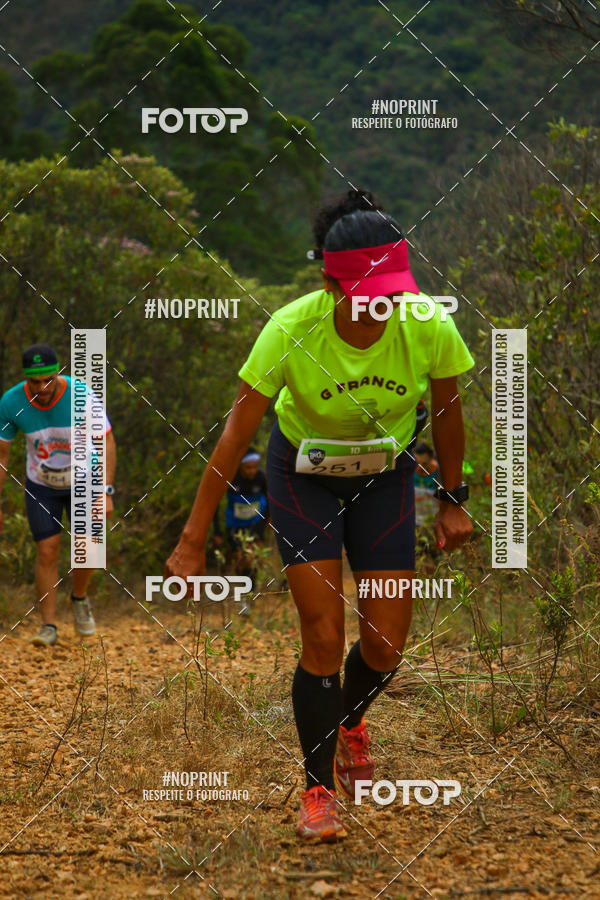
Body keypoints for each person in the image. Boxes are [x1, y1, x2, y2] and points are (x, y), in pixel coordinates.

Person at [165, 188, 474, 842]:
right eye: (368, 293)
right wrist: (193, 540)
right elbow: (233, 439)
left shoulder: (428, 326)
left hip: (384, 478)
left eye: (393, 290)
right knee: (323, 637)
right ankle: (317, 793)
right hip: (301, 475)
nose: (383, 305)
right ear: (332, 284)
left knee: (386, 645)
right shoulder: (289, 330)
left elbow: (447, 415)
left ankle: (350, 722)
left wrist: (453, 499)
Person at [0, 344, 116, 646]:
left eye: (49, 379)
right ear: (26, 379)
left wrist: (106, 490)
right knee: (47, 550)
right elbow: (2, 455)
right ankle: (48, 626)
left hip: (85, 478)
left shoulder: (81, 395)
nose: (43, 388)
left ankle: (78, 598)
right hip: (42, 483)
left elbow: (106, 441)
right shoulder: (10, 403)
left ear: (58, 373)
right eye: (35, 382)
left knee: (87, 547)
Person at [211, 447, 269, 610]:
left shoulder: (262, 478)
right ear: (240, 466)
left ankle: (249, 598)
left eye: (255, 467)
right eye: (248, 467)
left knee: (251, 557)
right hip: (235, 524)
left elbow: (271, 498)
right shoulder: (230, 478)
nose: (252, 471)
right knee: (240, 560)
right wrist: (217, 531)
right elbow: (213, 504)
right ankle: (244, 592)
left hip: (256, 521)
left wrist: (270, 519)